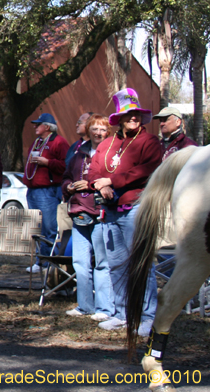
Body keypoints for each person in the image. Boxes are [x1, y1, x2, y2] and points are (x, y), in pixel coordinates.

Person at [88, 88, 161, 335]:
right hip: (110, 212)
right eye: (128, 115)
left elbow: (148, 169)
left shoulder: (149, 142)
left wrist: (112, 182)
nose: (133, 118)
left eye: (137, 115)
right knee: (117, 265)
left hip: (136, 210)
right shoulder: (107, 143)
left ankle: (146, 317)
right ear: (119, 118)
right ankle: (122, 314)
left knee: (141, 264)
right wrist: (99, 184)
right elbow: (94, 171)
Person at [62, 114, 113, 321]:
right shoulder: (78, 155)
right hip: (79, 211)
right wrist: (69, 186)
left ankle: (105, 308)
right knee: (81, 262)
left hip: (102, 213)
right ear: (89, 130)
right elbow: (66, 177)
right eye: (95, 129)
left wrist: (93, 186)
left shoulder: (111, 154)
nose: (98, 133)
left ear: (107, 132)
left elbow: (114, 179)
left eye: (103, 129)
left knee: (102, 263)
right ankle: (85, 305)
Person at [21, 113, 69, 272]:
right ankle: (39, 261)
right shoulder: (36, 143)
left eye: (38, 124)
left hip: (47, 191)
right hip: (33, 190)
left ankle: (50, 263)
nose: (35, 126)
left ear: (47, 127)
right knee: (36, 228)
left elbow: (65, 165)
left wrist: (47, 162)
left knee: (49, 228)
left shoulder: (59, 142)